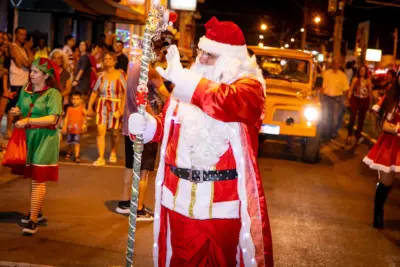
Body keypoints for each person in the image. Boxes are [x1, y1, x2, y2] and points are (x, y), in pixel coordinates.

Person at [128, 17, 273, 266]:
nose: (202, 59)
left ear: (232, 59)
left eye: (211, 55)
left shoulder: (249, 89)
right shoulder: (188, 86)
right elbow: (169, 125)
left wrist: (183, 80)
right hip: (179, 201)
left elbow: (223, 101)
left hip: (223, 207)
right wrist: (149, 127)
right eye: (201, 52)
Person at [10, 57, 62, 235]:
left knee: (37, 178)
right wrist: (17, 111)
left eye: (35, 72)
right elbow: (20, 106)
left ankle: (32, 220)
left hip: (45, 138)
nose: (31, 74)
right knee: (33, 176)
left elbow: (52, 118)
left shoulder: (53, 94)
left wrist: (28, 120)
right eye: (31, 71)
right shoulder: (26, 90)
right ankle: (36, 210)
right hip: (28, 137)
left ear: (46, 76)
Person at [116, 40, 167, 219]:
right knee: (144, 170)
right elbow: (166, 95)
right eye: (161, 52)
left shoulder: (133, 67)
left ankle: (124, 202)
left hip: (130, 125)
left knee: (130, 166)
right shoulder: (150, 71)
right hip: (146, 127)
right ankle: (138, 208)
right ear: (156, 52)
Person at [363, 73, 400, 230]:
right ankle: (378, 212)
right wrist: (396, 128)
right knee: (386, 182)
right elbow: (384, 125)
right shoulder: (391, 97)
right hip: (390, 144)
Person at [87, 52, 127, 166]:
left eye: (110, 59)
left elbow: (126, 92)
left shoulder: (121, 75)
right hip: (102, 105)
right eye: (105, 59)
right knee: (100, 130)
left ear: (115, 61)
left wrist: (122, 108)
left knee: (114, 132)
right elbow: (95, 92)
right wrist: (90, 106)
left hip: (116, 105)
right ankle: (100, 157)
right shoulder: (100, 76)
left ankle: (113, 152)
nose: (107, 61)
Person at [8, 27, 33, 139]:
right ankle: (8, 130)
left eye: (25, 35)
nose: (23, 37)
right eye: (21, 34)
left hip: (24, 82)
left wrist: (28, 50)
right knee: (14, 107)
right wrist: (27, 62)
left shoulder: (23, 49)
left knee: (22, 107)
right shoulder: (13, 47)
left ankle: (19, 130)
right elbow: (21, 63)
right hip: (16, 81)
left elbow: (30, 62)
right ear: (16, 35)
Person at [321, 58, 350, 140]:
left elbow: (346, 89)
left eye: (337, 63)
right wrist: (320, 97)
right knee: (325, 116)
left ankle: (333, 132)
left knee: (335, 118)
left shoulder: (343, 75)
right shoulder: (326, 73)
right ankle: (326, 133)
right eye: (334, 63)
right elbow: (321, 86)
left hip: (337, 99)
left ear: (339, 65)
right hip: (326, 98)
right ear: (332, 64)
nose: (335, 65)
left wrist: (345, 100)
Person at [346, 65, 372, 147]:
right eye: (361, 70)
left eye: (364, 70)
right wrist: (348, 99)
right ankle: (349, 134)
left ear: (366, 72)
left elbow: (370, 93)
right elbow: (351, 89)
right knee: (352, 117)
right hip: (355, 99)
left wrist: (370, 105)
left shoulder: (368, 81)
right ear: (359, 71)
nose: (362, 72)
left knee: (361, 119)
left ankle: (357, 136)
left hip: (364, 100)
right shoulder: (355, 79)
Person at [62, 91, 86, 162]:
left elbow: (86, 115)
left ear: (81, 100)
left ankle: (76, 156)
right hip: (70, 129)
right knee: (69, 142)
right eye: (73, 99)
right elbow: (66, 118)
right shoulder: (69, 109)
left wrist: (84, 125)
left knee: (76, 143)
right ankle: (68, 153)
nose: (75, 101)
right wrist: (64, 127)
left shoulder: (82, 108)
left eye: (77, 99)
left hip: (77, 130)